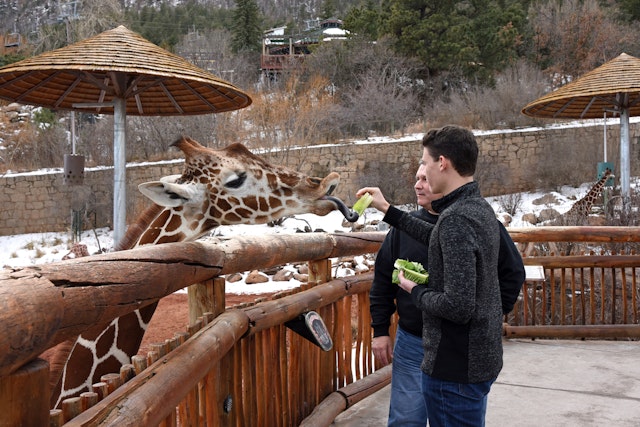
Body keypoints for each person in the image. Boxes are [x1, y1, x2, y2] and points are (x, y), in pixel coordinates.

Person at [358, 125, 506, 427]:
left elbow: (458, 306)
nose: (421, 171)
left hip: (454, 365)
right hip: (479, 358)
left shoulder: (456, 220)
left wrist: (414, 291)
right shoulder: (478, 209)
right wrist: (388, 210)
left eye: (424, 162)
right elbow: (439, 235)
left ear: (442, 163)